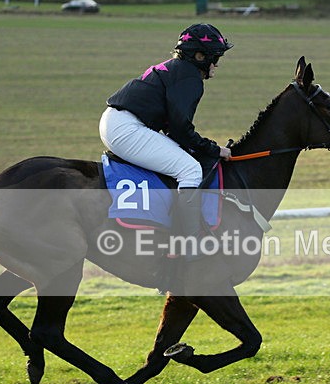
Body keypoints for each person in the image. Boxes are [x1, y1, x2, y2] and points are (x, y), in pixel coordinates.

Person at [99, 23, 233, 260]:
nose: (217, 64)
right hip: (127, 128)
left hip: (117, 122)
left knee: (184, 158)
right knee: (190, 170)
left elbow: (174, 128)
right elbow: (181, 129)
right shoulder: (190, 77)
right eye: (215, 57)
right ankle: (188, 244)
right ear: (200, 56)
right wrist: (213, 149)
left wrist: (200, 147)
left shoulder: (178, 69)